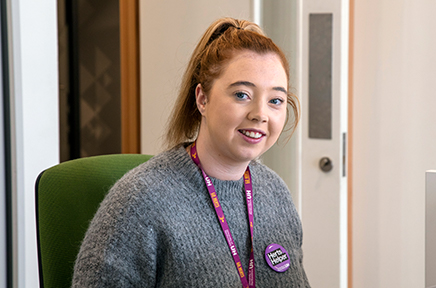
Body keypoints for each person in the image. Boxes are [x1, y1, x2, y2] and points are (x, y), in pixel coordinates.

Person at [72, 17, 310, 287]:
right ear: (202, 99)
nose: (260, 114)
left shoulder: (275, 193)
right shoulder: (141, 200)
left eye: (275, 100)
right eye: (242, 95)